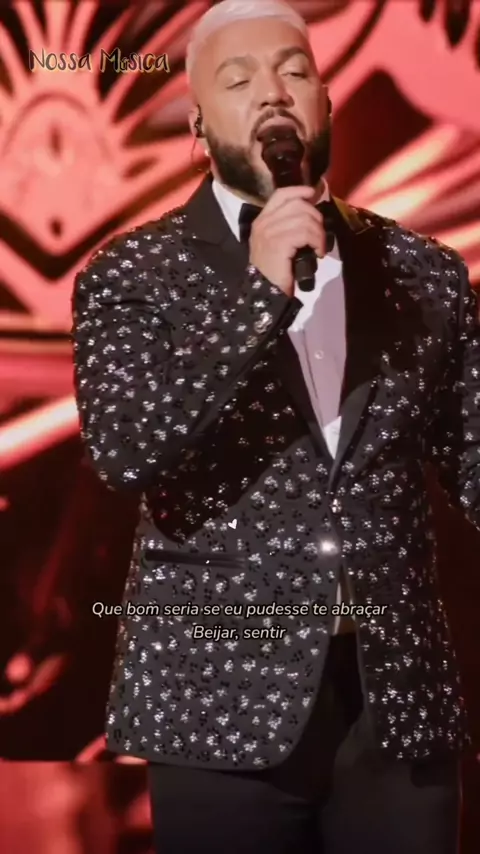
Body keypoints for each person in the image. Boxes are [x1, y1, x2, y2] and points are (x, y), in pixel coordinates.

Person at [71, 1, 478, 851]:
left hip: (396, 706)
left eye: (295, 70)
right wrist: (256, 297)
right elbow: (125, 449)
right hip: (217, 704)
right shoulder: (133, 275)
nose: (272, 91)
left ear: (326, 103)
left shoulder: (422, 272)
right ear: (197, 124)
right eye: (238, 78)